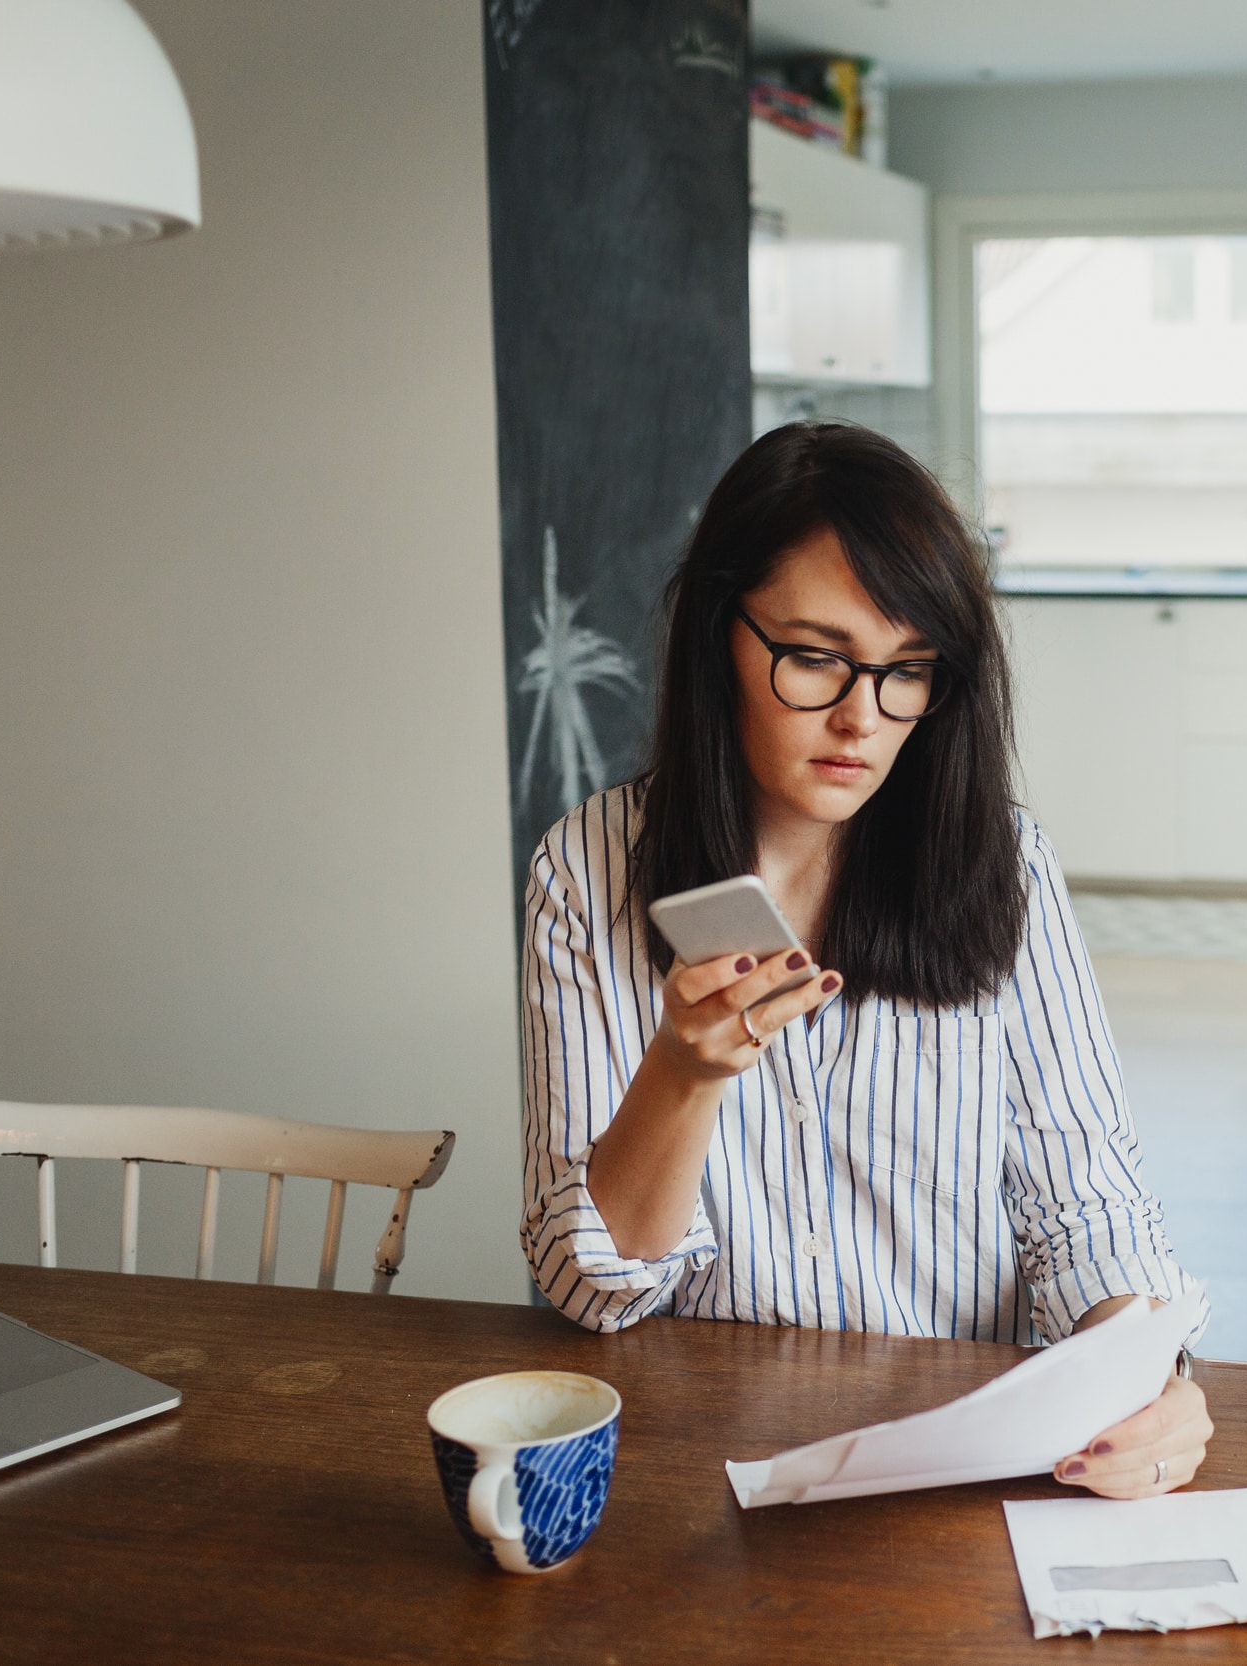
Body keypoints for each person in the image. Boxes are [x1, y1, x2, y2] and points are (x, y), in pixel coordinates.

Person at [519, 422, 1210, 1499]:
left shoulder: (1003, 864)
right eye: (815, 657)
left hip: (954, 1464)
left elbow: (1087, 1202)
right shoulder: (587, 869)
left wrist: (1148, 1373)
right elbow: (591, 1289)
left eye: (907, 671)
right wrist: (683, 1075)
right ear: (718, 634)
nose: (862, 717)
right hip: (697, 1462)